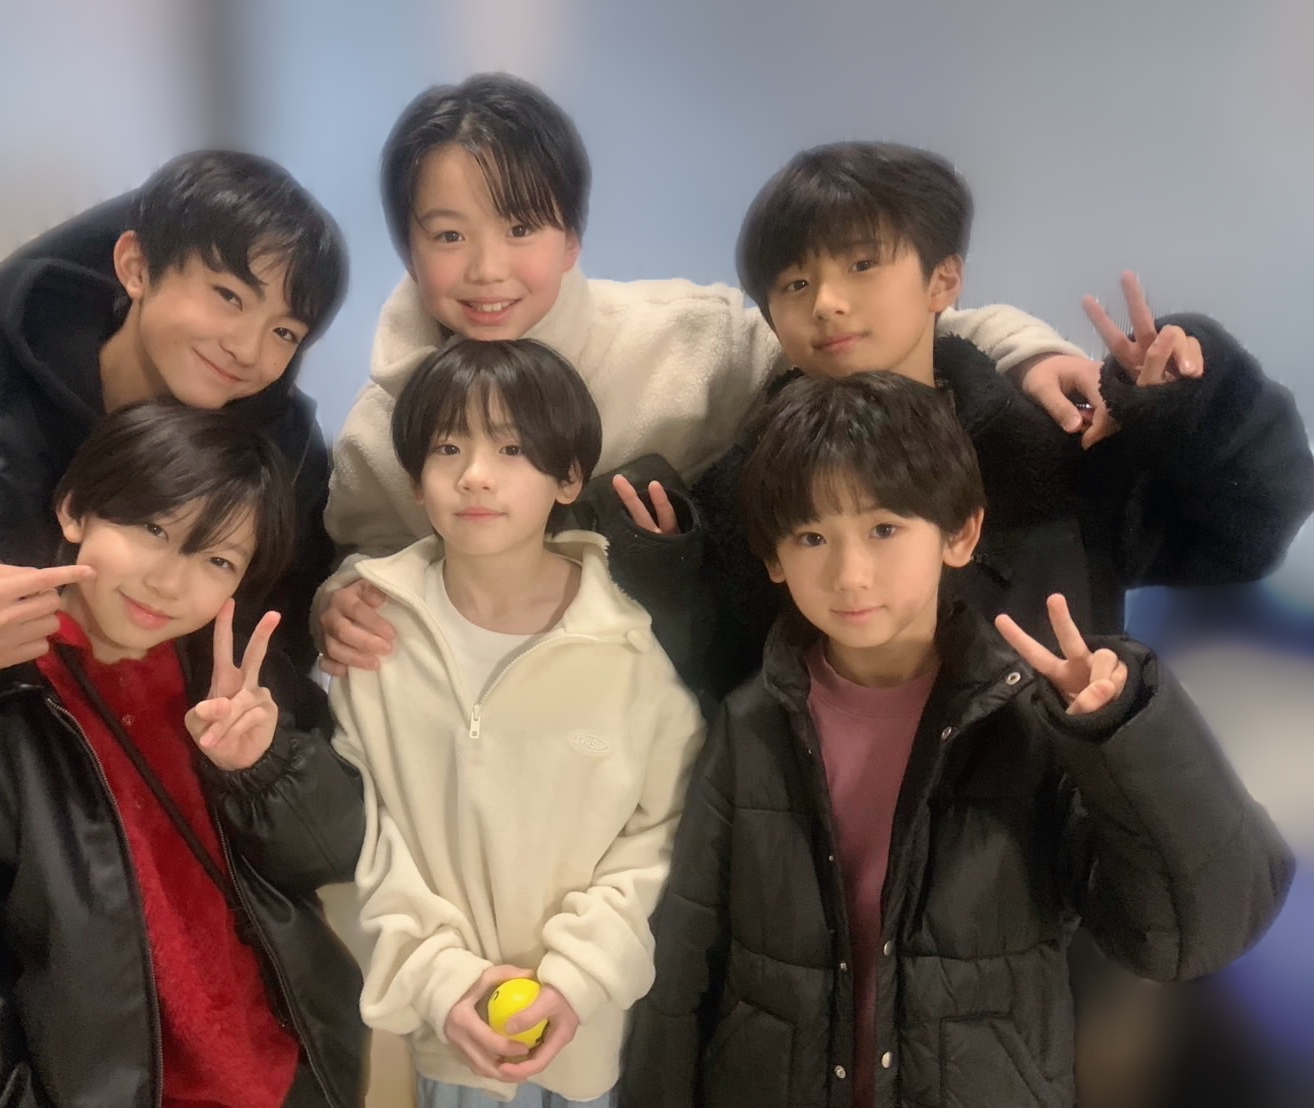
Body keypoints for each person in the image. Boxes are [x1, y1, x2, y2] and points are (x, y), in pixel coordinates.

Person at [618, 371, 1294, 1108]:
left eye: (884, 528)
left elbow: (1191, 934)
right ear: (774, 558)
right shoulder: (749, 724)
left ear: (960, 534)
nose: (849, 574)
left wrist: (1125, 732)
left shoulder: (1031, 724)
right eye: (811, 536)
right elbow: (683, 965)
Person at [314, 72, 1096, 675]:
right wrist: (338, 600)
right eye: (448, 236)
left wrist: (1026, 350)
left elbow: (859, 332)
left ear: (572, 237)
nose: (487, 269)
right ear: (408, 247)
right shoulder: (381, 424)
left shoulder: (684, 338)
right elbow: (359, 555)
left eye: (520, 228)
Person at [651, 141, 1314, 700]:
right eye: (795, 284)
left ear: (942, 281)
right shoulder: (750, 483)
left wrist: (1197, 403)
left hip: (1053, 798)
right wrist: (667, 574)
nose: (826, 302)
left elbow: (1246, 537)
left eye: (861, 264)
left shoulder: (1054, 448)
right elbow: (717, 695)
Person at [0, 401, 368, 1108]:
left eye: (217, 559)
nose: (168, 581)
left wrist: (261, 770)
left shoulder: (245, 684)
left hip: (292, 1079)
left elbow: (338, 855)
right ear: (75, 511)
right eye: (153, 528)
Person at [331, 338, 705, 1107]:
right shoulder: (372, 639)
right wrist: (442, 979)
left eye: (511, 448)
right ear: (415, 480)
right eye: (447, 448)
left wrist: (578, 972)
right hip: (446, 1033)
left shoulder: (630, 645)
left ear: (568, 477)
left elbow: (667, 831)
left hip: (589, 1031)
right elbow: (365, 834)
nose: (475, 474)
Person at [0, 149, 347, 712]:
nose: (247, 349)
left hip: (177, 759)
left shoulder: (285, 458)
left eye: (284, 332)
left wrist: (336, 616)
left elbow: (284, 642)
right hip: (0, 757)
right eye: (228, 297)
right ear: (136, 266)